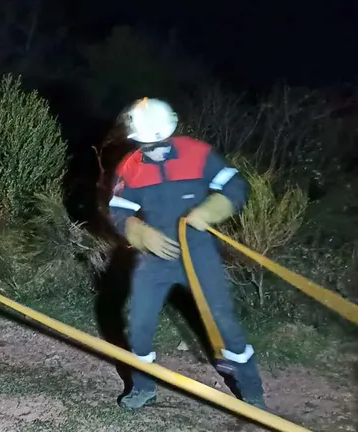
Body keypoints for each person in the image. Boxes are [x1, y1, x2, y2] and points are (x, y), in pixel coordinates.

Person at [108, 98, 266, 409]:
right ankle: (143, 387)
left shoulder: (198, 153)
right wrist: (139, 232)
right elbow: (118, 211)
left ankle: (253, 394)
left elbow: (235, 188)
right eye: (145, 144)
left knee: (224, 322)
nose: (153, 150)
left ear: (171, 132)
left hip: (199, 252)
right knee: (138, 322)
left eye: (160, 143)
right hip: (154, 256)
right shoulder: (131, 166)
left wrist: (211, 210)